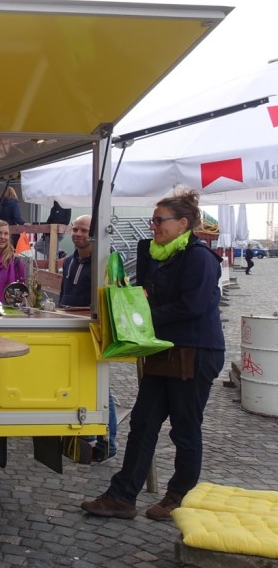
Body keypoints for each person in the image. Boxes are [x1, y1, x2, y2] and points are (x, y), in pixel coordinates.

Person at [81, 190, 224, 522]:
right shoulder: (158, 254)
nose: (153, 225)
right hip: (163, 350)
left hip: (195, 352)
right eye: (153, 220)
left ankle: (178, 496)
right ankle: (122, 496)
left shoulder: (199, 257)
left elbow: (193, 306)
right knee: (143, 424)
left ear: (183, 223)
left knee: (184, 429)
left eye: (160, 220)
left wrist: (142, 315)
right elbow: (144, 291)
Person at [58, 214, 117, 459]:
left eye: (83, 230)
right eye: (75, 229)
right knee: (77, 383)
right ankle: (81, 438)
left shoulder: (104, 262)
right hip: (70, 331)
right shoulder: (70, 261)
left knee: (101, 388)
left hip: (92, 331)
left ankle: (108, 444)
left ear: (93, 234)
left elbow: (107, 300)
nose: (78, 234)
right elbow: (65, 293)